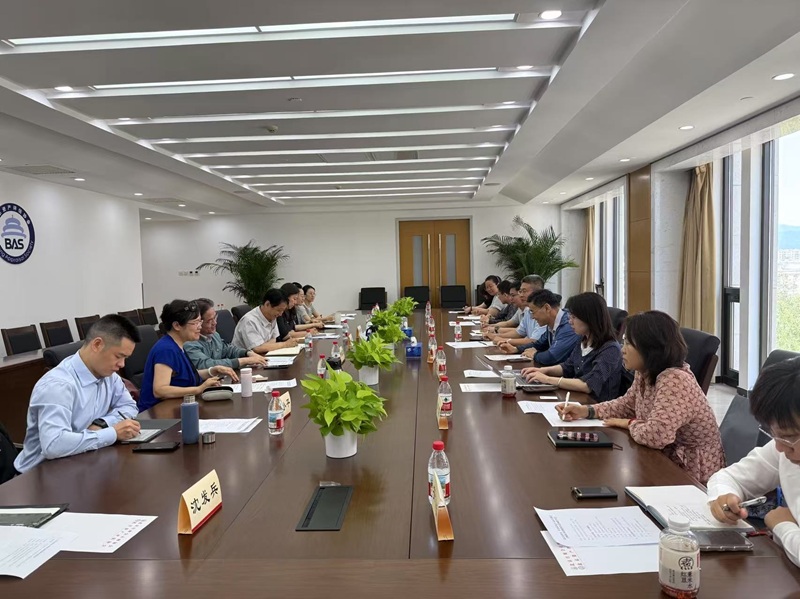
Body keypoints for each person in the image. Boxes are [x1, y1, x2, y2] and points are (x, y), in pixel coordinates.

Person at [557, 311, 725, 484]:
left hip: (689, 470)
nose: (622, 350)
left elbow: (656, 436)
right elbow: (627, 405)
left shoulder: (675, 380)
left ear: (650, 348)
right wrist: (587, 411)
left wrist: (628, 423)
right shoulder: (645, 371)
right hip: (661, 455)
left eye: (628, 344)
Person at [14, 315, 144, 473]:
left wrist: (102, 424)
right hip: (40, 475)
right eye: (118, 356)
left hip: (81, 464)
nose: (122, 364)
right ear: (97, 344)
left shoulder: (109, 376)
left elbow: (129, 406)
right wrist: (112, 433)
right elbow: (54, 444)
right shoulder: (58, 386)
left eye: (126, 358)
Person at [708, 357, 800, 566]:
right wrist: (724, 496)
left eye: (788, 437)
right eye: (775, 435)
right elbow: (729, 477)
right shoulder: (785, 449)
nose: (779, 447)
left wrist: (782, 526)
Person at [520, 292, 623, 402]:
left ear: (589, 318)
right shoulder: (583, 340)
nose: (570, 321)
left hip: (595, 405)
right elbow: (567, 367)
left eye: (574, 317)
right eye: (570, 317)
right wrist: (542, 371)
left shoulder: (610, 349)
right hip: (576, 399)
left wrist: (547, 379)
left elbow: (588, 385)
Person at [138, 300, 238, 412]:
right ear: (177, 325)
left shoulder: (178, 346)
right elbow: (160, 390)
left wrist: (213, 370)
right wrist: (199, 389)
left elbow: (185, 376)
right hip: (159, 413)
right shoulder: (166, 350)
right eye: (195, 323)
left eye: (200, 322)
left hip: (177, 407)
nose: (199, 327)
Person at [184, 298, 268, 371]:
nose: (215, 323)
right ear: (198, 322)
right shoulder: (189, 343)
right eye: (209, 321)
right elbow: (206, 364)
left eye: (215, 318)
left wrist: (247, 353)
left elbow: (228, 350)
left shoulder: (215, 335)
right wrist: (243, 361)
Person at [500, 289, 580, 365]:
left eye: (533, 312)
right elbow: (539, 344)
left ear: (547, 308)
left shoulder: (569, 325)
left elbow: (552, 356)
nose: (532, 317)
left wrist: (535, 355)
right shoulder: (551, 323)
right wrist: (516, 349)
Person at [232, 289, 298, 353]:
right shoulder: (249, 321)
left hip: (263, 354)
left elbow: (273, 339)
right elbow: (257, 348)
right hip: (244, 358)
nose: (280, 314)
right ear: (267, 304)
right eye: (279, 310)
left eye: (282, 311)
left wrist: (264, 346)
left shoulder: (272, 316)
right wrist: (285, 344)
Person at [483, 275, 545, 342]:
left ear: (537, 292)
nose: (521, 295)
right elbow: (518, 332)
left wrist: (504, 340)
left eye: (524, 291)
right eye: (520, 291)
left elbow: (534, 341)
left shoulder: (543, 312)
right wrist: (495, 336)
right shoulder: (527, 310)